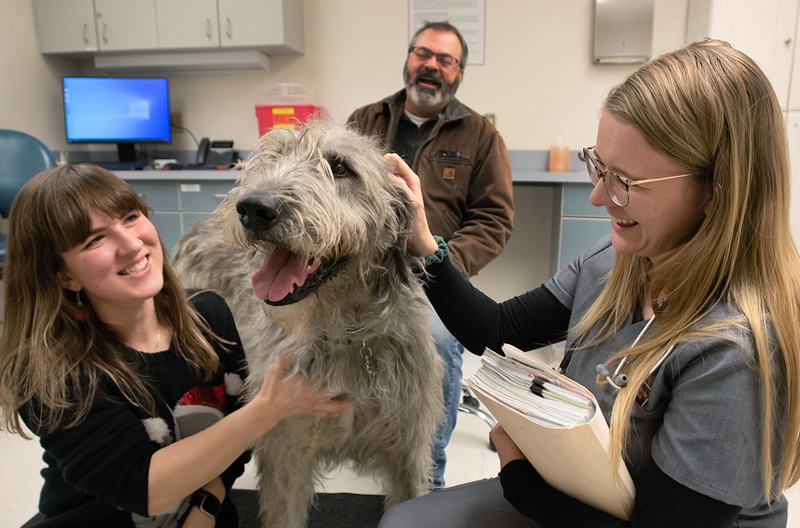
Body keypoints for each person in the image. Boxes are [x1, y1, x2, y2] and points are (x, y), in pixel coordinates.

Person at [381, 39, 800, 527]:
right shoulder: (618, 261)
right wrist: (424, 244)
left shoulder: (738, 350)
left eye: (624, 181)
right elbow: (494, 330)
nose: (598, 195)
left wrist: (517, 472)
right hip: (581, 495)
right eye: (598, 164)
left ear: (713, 191)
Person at [0, 164, 352, 527]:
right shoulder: (48, 371)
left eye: (131, 217)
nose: (132, 244)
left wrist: (206, 508)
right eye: (95, 240)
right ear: (63, 275)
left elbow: (232, 446)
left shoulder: (208, 316)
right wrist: (267, 409)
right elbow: (142, 488)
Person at [347, 21, 514, 488]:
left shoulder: (480, 135)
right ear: (408, 57)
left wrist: (441, 262)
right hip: (360, 271)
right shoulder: (364, 121)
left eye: (444, 59)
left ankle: (426, 473)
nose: (431, 66)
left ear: (458, 72)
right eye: (423, 53)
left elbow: (493, 221)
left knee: (438, 345)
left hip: (432, 276)